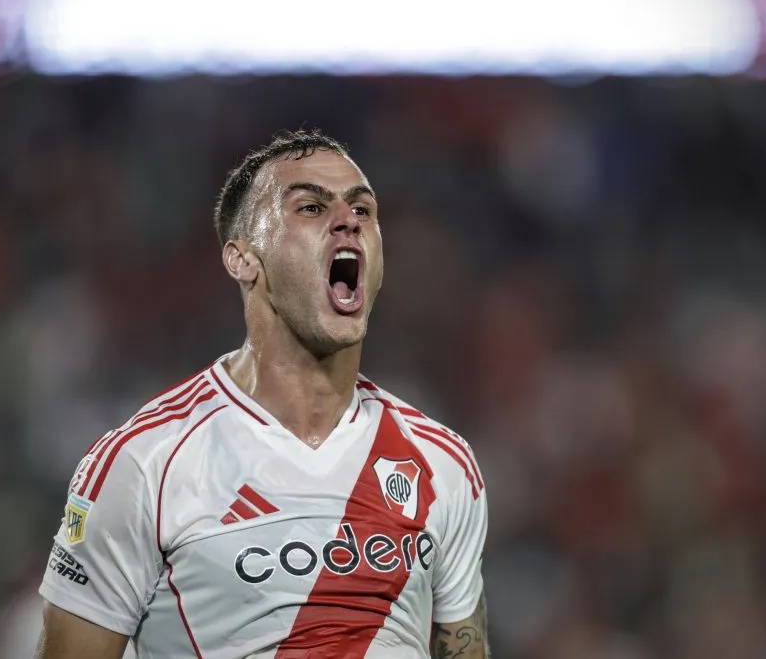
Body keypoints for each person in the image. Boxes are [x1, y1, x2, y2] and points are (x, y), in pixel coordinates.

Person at [34, 130, 490, 659]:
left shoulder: (443, 463)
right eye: (312, 207)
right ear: (242, 260)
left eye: (363, 210)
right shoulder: (144, 464)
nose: (348, 221)